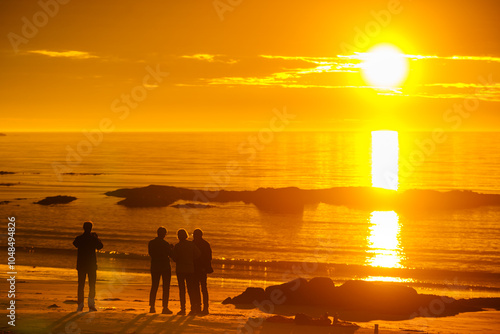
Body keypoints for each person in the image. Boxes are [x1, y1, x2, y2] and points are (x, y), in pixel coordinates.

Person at [73, 221, 103, 312]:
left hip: (81, 264)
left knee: (81, 285)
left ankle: (80, 305)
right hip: (91, 265)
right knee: (92, 285)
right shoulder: (93, 239)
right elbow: (100, 246)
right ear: (91, 228)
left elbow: (75, 244)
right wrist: (97, 238)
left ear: (83, 228)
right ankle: (91, 304)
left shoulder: (79, 238)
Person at [173, 229, 201, 315]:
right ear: (186, 236)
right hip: (190, 269)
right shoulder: (191, 244)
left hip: (180, 269)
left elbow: (174, 258)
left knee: (182, 290)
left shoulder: (177, 246)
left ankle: (183, 309)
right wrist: (191, 259)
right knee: (190, 289)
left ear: (178, 236)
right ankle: (193, 308)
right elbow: (198, 254)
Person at [148, 226, 174, 314]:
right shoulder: (165, 244)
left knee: (154, 286)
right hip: (165, 266)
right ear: (164, 234)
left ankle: (152, 306)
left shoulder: (151, 243)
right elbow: (171, 255)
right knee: (166, 287)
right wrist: (172, 249)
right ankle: (165, 307)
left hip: (155, 265)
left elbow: (151, 253)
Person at [192, 228, 213, 315]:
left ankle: (204, 307)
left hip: (199, 269)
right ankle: (201, 307)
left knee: (201, 289)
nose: (195, 237)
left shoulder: (194, 244)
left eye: (195, 235)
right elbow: (209, 257)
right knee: (199, 289)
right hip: (197, 269)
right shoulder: (205, 244)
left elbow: (208, 257)